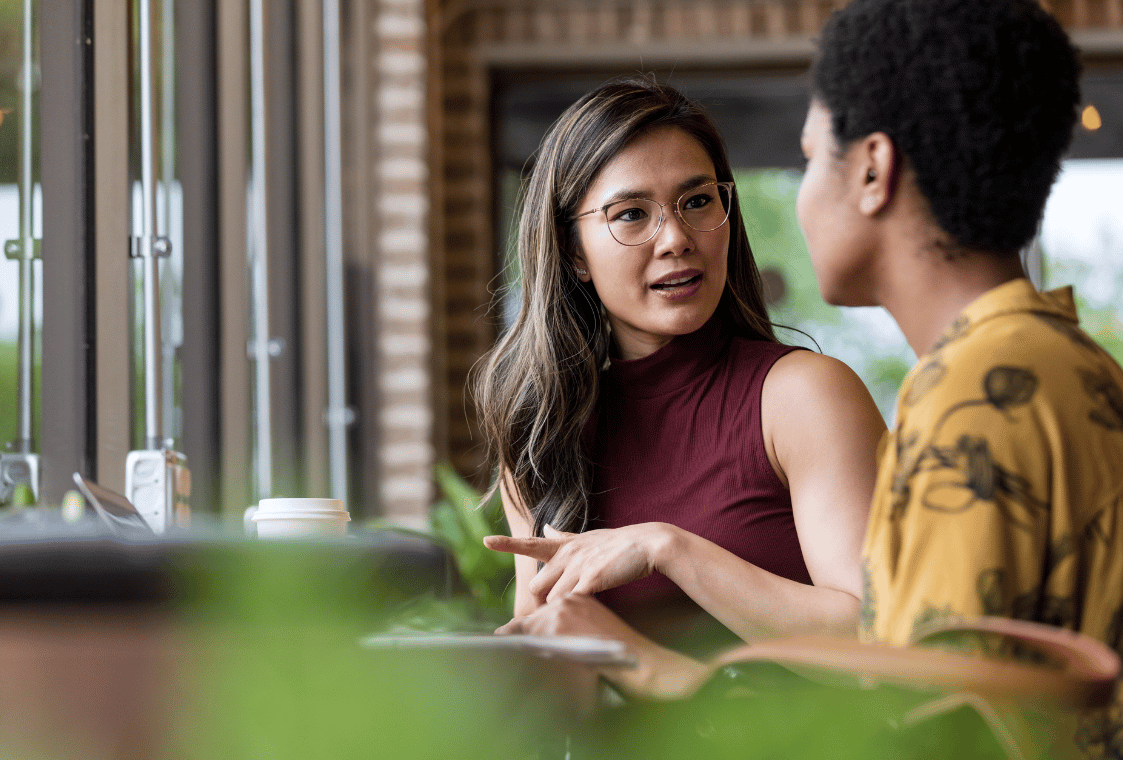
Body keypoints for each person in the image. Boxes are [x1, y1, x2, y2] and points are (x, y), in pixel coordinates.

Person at [474, 75, 887, 700]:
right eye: (631, 214)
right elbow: (556, 678)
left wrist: (667, 548)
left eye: (697, 201)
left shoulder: (802, 397)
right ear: (573, 252)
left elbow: (879, 646)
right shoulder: (542, 438)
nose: (676, 239)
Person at [796, 0, 1122, 753]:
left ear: (873, 169)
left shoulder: (974, 394)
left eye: (812, 155)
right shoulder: (1070, 364)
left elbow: (926, 727)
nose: (805, 191)